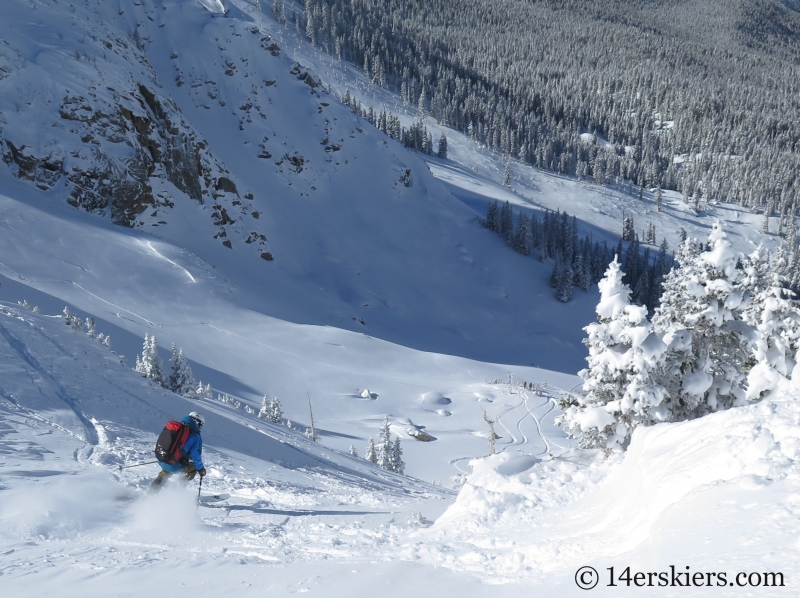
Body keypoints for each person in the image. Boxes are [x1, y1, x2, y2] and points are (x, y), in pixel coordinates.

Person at [149, 411, 207, 491]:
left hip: (163, 458)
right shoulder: (195, 436)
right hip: (174, 464)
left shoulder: (177, 427)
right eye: (200, 425)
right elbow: (196, 456)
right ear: (197, 422)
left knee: (165, 472)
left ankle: (151, 492)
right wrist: (201, 469)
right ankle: (177, 492)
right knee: (192, 469)